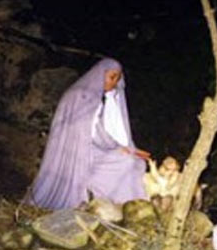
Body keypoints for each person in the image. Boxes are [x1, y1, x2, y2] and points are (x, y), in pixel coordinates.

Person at [28, 58, 150, 209]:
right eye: (111, 77)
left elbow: (100, 129)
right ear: (100, 74)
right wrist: (117, 148)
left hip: (90, 147)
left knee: (134, 161)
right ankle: (110, 201)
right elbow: (93, 132)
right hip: (77, 152)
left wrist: (124, 147)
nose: (114, 83)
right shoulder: (83, 96)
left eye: (117, 79)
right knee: (126, 162)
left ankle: (119, 203)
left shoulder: (91, 95)